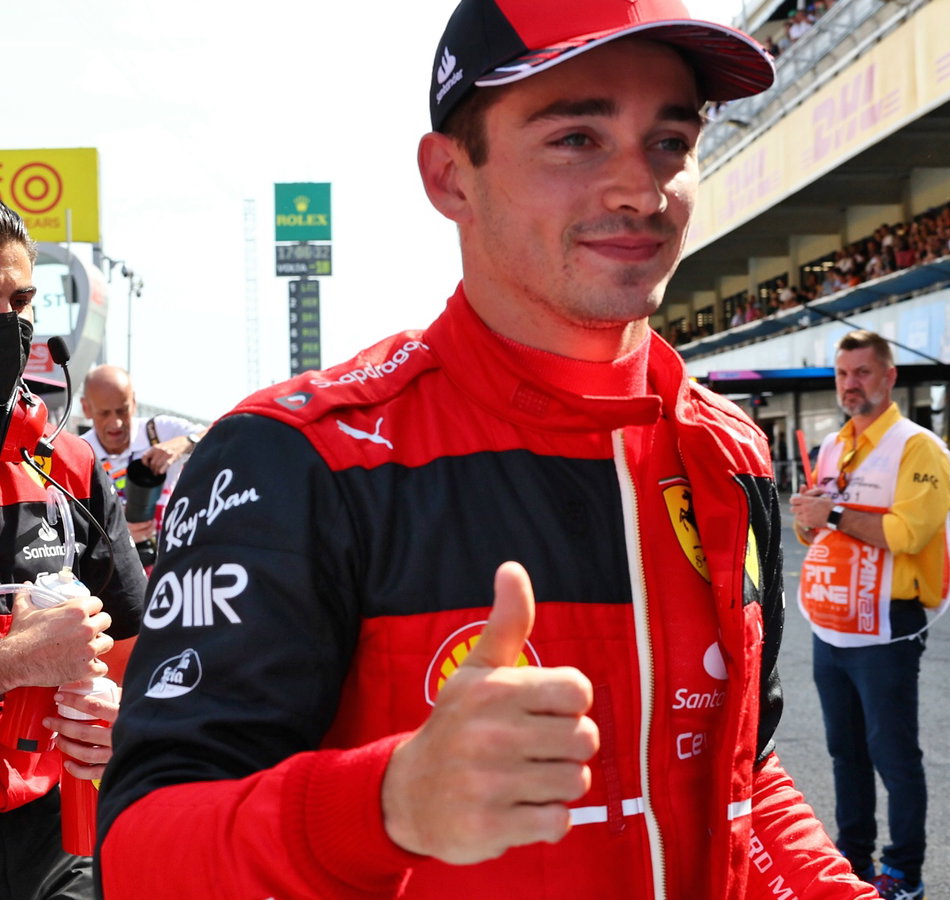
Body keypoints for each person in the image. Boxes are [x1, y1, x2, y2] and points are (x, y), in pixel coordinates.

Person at [97, 3, 877, 898]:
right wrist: (385, 805)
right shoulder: (298, 459)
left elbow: (738, 781)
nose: (640, 188)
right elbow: (141, 853)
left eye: (670, 140)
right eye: (577, 137)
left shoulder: (730, 452)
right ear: (449, 176)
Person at [0, 202, 145, 898]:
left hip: (58, 830)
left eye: (20, 300)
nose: (11, 320)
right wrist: (12, 659)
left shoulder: (71, 465)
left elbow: (142, 648)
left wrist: (123, 715)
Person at [790, 330, 950, 898]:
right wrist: (809, 517)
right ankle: (851, 863)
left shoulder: (917, 447)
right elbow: (813, 530)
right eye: (842, 374)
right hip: (832, 624)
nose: (850, 384)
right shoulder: (834, 443)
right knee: (845, 753)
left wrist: (829, 513)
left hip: (887, 625)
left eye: (862, 372)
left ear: (889, 378)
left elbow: (909, 533)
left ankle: (904, 871)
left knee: (894, 756)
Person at [77, 365, 208, 567]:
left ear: (134, 402)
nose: (116, 423)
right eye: (104, 413)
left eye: (122, 410)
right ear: (86, 408)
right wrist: (118, 533)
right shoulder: (79, 452)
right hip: (117, 569)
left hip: (173, 562)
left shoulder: (159, 431)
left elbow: (224, 431)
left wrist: (185, 442)